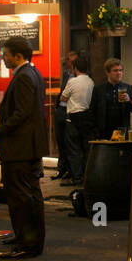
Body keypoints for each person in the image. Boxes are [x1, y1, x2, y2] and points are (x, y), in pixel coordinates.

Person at [0, 35, 49, 258]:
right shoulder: (32, 73)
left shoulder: (25, 76)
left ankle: (29, 243)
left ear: (18, 56)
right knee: (29, 195)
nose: (3, 59)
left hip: (21, 148)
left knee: (22, 197)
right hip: (28, 146)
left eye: (5, 55)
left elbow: (22, 113)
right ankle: (27, 238)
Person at [58, 56, 95, 185]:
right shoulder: (91, 81)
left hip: (73, 117)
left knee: (73, 148)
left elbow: (63, 97)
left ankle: (77, 177)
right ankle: (87, 175)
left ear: (75, 68)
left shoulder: (73, 81)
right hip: (87, 116)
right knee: (86, 148)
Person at [94, 58, 132, 140]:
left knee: (121, 151)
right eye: (115, 71)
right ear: (107, 72)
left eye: (120, 70)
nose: (118, 73)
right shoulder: (99, 89)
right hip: (104, 130)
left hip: (122, 128)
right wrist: (94, 130)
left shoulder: (128, 88)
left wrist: (129, 101)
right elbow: (92, 110)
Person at [54, 49, 79, 180]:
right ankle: (61, 169)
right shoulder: (65, 74)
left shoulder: (80, 76)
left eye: (73, 60)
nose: (70, 63)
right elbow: (62, 91)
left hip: (71, 110)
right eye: (69, 60)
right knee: (60, 140)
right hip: (61, 109)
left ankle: (71, 170)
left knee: (70, 142)